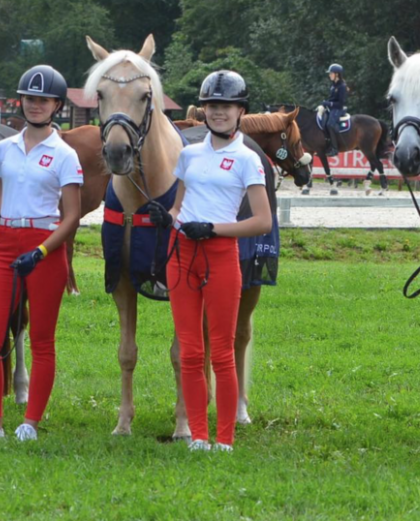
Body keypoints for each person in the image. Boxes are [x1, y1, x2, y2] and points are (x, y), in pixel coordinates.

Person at [0, 65, 83, 442]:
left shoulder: (65, 155)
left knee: (41, 339)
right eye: (29, 99)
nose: (35, 105)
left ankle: (30, 422)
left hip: (45, 246)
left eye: (43, 100)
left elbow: (72, 217)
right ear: (20, 102)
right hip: (5, 244)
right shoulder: (4, 149)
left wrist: (41, 251)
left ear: (56, 105)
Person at [148, 70, 272, 452]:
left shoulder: (247, 159)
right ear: (203, 109)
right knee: (190, 351)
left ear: (240, 111)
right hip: (182, 254)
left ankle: (225, 439)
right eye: (212, 106)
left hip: (220, 256)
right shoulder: (188, 155)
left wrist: (215, 229)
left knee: (221, 351)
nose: (218, 112)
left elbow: (262, 221)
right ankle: (199, 436)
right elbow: (179, 206)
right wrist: (167, 217)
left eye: (226, 106)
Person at [322, 63, 347, 156]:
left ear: (337, 74)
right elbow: (331, 99)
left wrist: (329, 103)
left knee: (330, 124)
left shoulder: (342, 86)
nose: (329, 75)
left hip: (338, 109)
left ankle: (335, 148)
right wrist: (325, 103)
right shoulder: (333, 85)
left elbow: (340, 103)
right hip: (332, 108)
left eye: (331, 73)